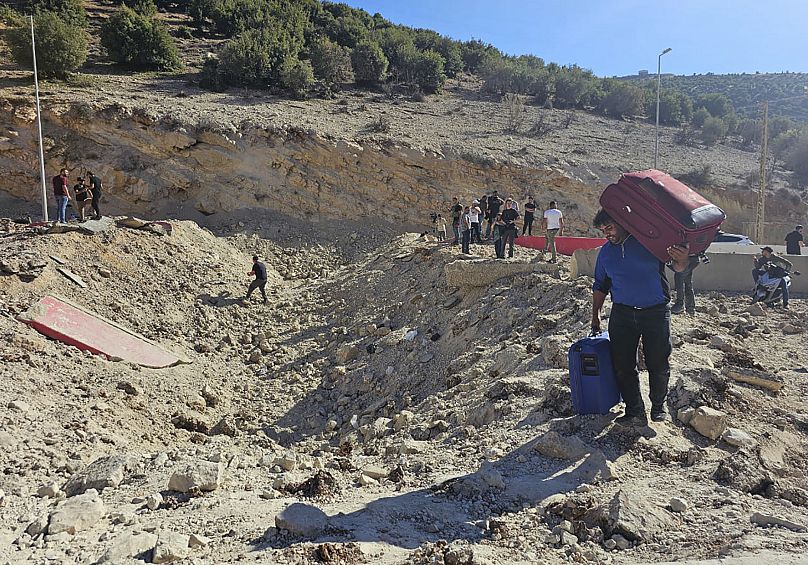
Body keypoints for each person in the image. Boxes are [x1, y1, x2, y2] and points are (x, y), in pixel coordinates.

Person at [591, 208, 690, 426]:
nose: (606, 233)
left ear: (624, 222)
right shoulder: (606, 253)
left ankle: (658, 406)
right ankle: (634, 410)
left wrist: (683, 259)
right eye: (602, 230)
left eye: (609, 227)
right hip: (622, 313)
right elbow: (600, 285)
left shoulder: (649, 244)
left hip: (655, 312)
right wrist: (595, 315)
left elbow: (678, 267)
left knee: (658, 362)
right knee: (623, 365)